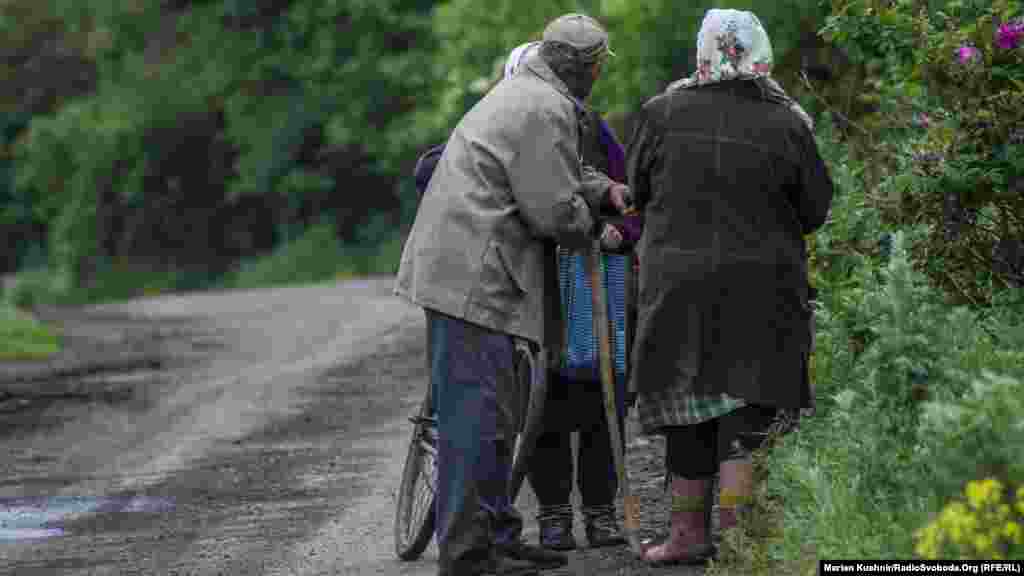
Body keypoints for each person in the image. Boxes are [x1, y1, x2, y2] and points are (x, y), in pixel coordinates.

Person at [394, 12, 631, 576]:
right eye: (599, 67)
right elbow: (552, 208)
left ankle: (497, 534)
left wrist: (603, 190)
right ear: (591, 68)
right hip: (471, 275)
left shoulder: (527, 94)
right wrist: (594, 227)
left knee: (498, 415)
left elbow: (554, 172)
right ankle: (469, 555)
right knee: (476, 418)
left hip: (470, 267)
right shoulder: (544, 108)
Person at [624, 8, 834, 566]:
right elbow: (815, 210)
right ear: (760, 52)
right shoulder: (789, 122)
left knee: (687, 405)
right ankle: (740, 545)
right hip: (762, 288)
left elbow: (636, 193)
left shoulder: (660, 112)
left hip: (679, 286)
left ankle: (688, 536)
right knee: (750, 404)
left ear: (701, 51)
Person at [503, 41, 642, 552]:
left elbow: (631, 199)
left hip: (596, 283)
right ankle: (555, 513)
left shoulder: (590, 128)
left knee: (602, 397)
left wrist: (617, 233)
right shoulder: (501, 130)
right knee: (543, 407)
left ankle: (601, 512)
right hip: (534, 288)